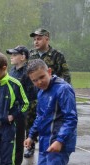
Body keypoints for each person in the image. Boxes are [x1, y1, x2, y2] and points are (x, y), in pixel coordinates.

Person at [22, 59, 77, 165]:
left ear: (50, 71)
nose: (39, 82)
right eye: (34, 80)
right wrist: (31, 135)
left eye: (41, 77)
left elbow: (71, 119)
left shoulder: (63, 89)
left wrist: (60, 141)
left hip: (60, 143)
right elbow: (40, 116)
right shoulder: (41, 92)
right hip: (46, 141)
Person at [26, 28, 71, 158]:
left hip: (52, 95)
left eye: (39, 38)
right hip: (34, 95)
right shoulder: (31, 54)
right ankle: (30, 145)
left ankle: (52, 144)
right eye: (34, 39)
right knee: (31, 119)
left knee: (50, 121)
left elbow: (66, 75)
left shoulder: (57, 55)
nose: (36, 41)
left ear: (47, 38)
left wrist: (62, 93)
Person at [6, 45, 38, 165]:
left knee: (19, 140)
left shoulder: (28, 73)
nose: (11, 57)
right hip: (10, 111)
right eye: (11, 54)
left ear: (23, 57)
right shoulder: (11, 71)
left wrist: (22, 111)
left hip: (21, 111)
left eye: (14, 54)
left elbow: (32, 95)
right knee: (8, 140)